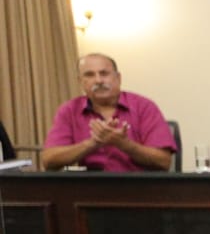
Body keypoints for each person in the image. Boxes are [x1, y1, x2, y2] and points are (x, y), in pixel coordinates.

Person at [41, 54, 175, 172]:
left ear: (118, 78)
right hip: (87, 190)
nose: (98, 80)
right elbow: (49, 160)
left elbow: (163, 162)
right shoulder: (69, 110)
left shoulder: (144, 107)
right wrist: (92, 143)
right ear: (80, 82)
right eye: (89, 75)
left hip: (139, 189)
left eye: (104, 73)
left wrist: (123, 144)